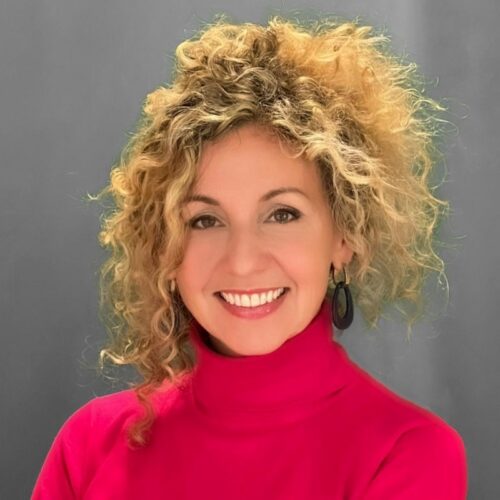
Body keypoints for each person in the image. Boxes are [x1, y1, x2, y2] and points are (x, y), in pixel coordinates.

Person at [32, 13, 468, 499]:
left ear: (344, 237)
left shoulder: (407, 454)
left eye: (282, 214)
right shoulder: (90, 444)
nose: (242, 262)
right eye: (205, 220)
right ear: (165, 249)